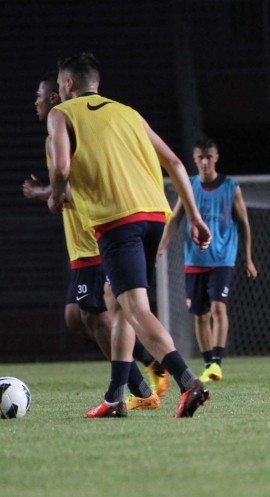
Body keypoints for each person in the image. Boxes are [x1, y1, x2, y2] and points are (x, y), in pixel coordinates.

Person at [47, 52, 211, 418]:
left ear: (69, 83)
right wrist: (194, 217)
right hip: (153, 215)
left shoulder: (62, 114)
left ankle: (188, 382)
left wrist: (55, 197)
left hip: (117, 221)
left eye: (59, 84)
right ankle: (115, 398)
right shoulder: (128, 113)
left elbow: (61, 168)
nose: (59, 90)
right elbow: (176, 163)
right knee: (116, 301)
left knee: (135, 308)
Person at [24, 72, 168, 410]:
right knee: (78, 318)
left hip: (94, 239)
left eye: (40, 96)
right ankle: (147, 370)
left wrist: (44, 193)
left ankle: (144, 382)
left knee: (98, 316)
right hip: (81, 242)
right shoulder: (55, 136)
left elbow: (75, 189)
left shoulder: (64, 133)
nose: (36, 102)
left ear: (56, 98)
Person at [158, 137, 257, 382]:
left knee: (218, 308)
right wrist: (161, 247)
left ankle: (216, 363)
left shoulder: (231, 187)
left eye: (209, 157)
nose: (205, 162)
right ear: (195, 159)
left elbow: (244, 223)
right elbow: (175, 219)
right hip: (195, 260)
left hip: (222, 259)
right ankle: (208, 364)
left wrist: (248, 258)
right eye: (200, 157)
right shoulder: (190, 185)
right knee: (201, 316)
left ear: (216, 158)